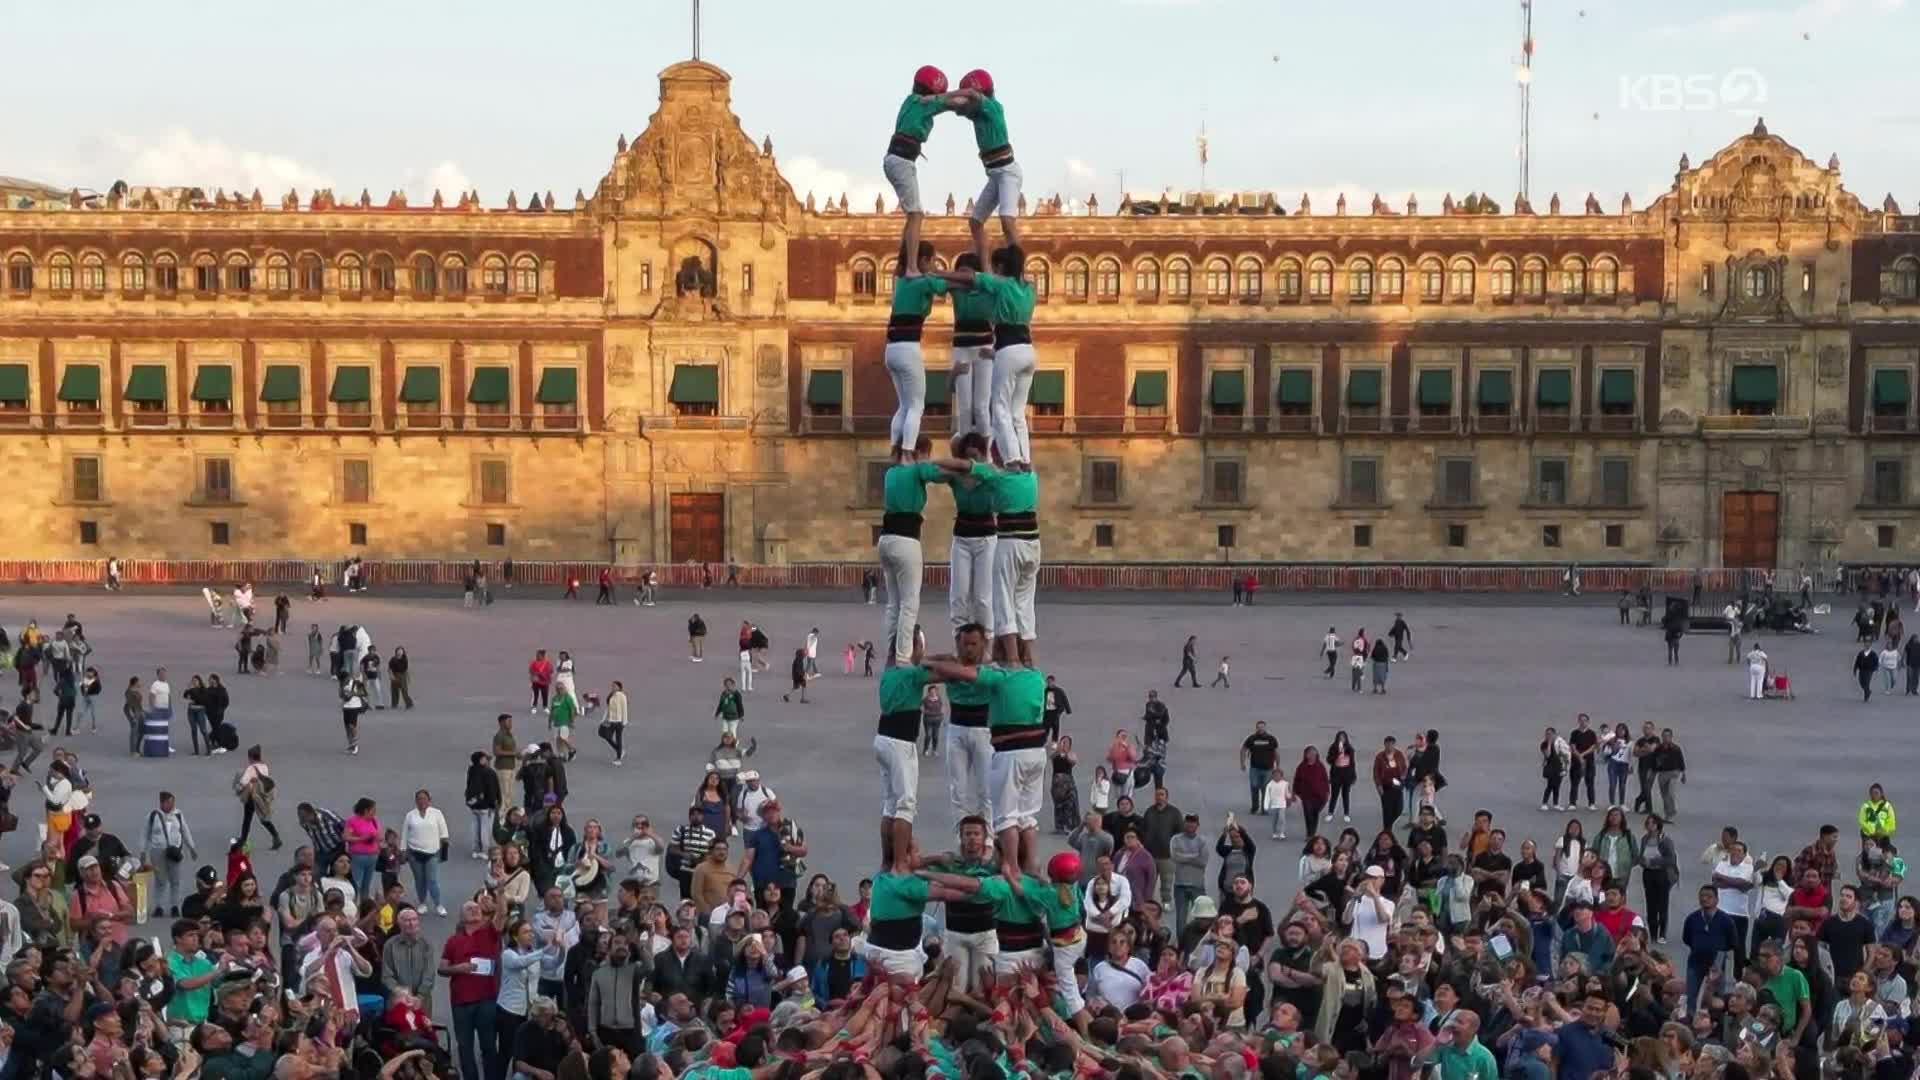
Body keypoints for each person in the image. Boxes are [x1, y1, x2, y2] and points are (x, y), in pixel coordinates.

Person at [881, 65, 953, 284]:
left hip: (901, 161)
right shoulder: (920, 102)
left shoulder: (912, 101)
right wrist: (971, 97)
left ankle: (904, 264)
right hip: (901, 161)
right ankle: (911, 266)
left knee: (913, 215)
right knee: (916, 215)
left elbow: (947, 102)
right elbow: (950, 102)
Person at [953, 69, 1022, 248]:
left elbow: (966, 97)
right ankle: (985, 266)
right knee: (975, 223)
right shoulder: (976, 113)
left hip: (1008, 172)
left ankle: (1018, 270)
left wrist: (951, 94)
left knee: (1007, 220)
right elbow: (957, 106)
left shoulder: (993, 107)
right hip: (994, 175)